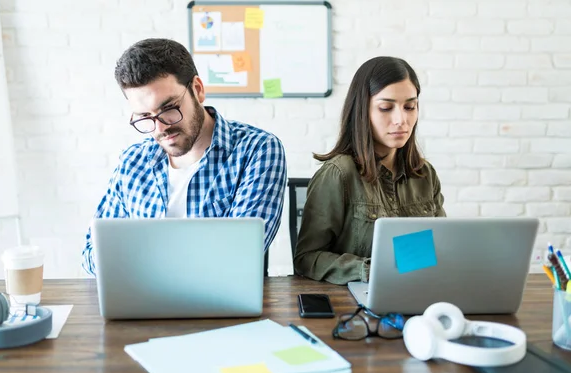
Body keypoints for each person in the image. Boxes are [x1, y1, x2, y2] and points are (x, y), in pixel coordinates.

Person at [81, 38, 287, 275]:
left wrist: (137, 257)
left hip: (220, 306)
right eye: (144, 116)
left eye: (168, 109)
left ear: (198, 90)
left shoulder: (256, 150)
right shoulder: (132, 162)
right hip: (141, 306)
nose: (159, 128)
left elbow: (240, 256)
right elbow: (91, 255)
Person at [293, 56, 446, 285]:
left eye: (410, 107)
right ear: (362, 110)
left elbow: (440, 246)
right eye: (386, 108)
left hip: (419, 290)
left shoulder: (425, 174)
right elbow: (307, 259)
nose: (401, 120)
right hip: (357, 302)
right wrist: (369, 270)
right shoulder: (338, 174)